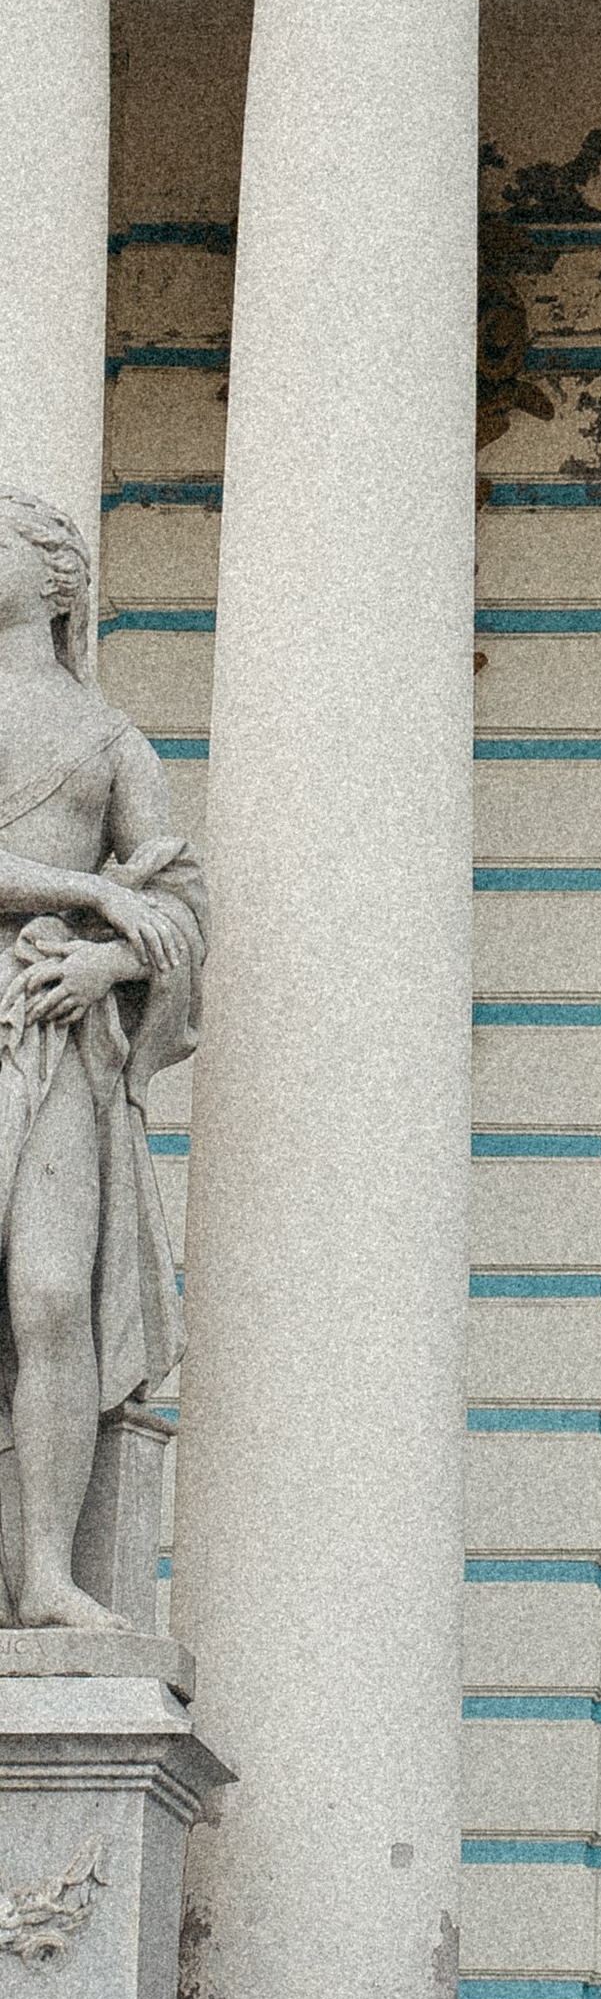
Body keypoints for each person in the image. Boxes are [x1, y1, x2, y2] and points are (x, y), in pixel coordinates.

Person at [0, 492, 205, 1629]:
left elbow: (178, 900)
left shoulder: (110, 738)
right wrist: (86, 894)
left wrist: (107, 971)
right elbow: (120, 889)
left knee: (48, 1297)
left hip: (55, 1031)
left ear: (57, 579)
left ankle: (45, 1572)